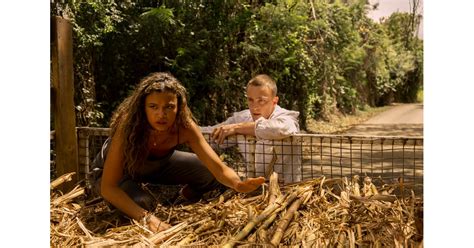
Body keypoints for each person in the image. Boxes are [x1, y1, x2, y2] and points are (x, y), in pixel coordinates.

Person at [90, 72, 265, 233]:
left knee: (208, 173)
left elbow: (218, 168)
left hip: (157, 167)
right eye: (153, 106)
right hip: (115, 174)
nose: (161, 114)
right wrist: (147, 218)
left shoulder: (185, 127)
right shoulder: (129, 126)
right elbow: (109, 187)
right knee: (143, 203)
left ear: (179, 107)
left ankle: (178, 199)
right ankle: (138, 196)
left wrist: (237, 184)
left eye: (169, 107)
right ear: (143, 108)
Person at [202, 74, 301, 183]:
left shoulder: (285, 116)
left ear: (274, 101)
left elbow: (284, 128)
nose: (254, 107)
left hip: (286, 190)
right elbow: (210, 133)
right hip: (253, 192)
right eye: (250, 100)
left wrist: (237, 128)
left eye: (261, 100)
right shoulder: (242, 118)